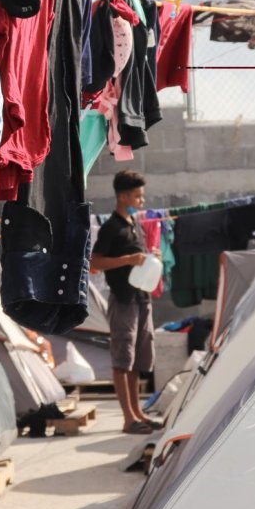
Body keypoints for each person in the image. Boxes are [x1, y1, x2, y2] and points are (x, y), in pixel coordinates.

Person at [89, 170, 158, 435]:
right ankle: (128, 419)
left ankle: (138, 412)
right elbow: (94, 263)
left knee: (138, 359)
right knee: (122, 358)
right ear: (123, 196)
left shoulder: (134, 224)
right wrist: (127, 261)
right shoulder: (111, 227)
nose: (142, 200)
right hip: (123, 300)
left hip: (141, 298)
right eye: (138, 195)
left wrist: (148, 257)